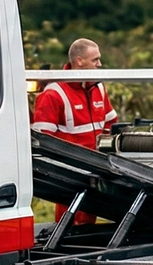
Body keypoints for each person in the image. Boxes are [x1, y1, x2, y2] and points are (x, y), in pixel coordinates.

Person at [31, 38, 117, 225]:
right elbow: (41, 141)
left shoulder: (98, 88)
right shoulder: (53, 94)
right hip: (69, 178)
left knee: (88, 227)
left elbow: (112, 124)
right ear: (79, 61)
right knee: (69, 228)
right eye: (95, 60)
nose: (99, 64)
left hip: (96, 172)